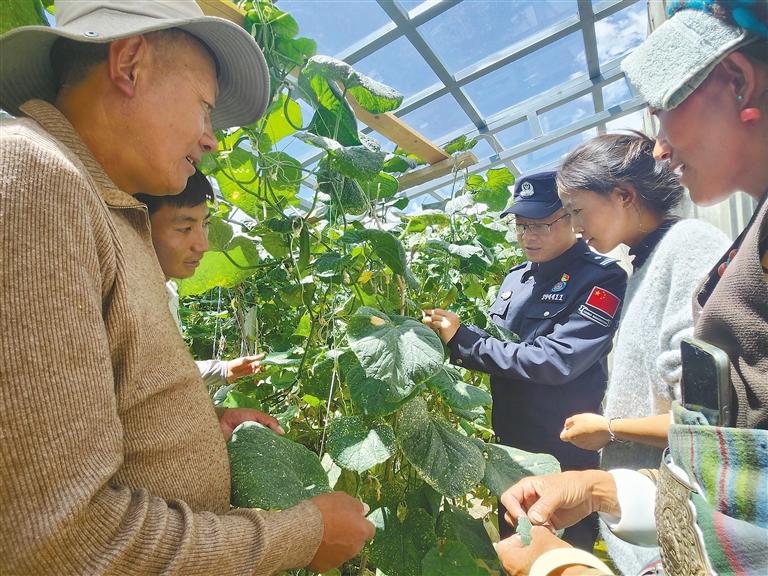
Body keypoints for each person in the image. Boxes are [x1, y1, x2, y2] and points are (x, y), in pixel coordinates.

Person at [0, 1, 373, 575]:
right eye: (205, 107)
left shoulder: (103, 207)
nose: (212, 140)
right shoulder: (35, 176)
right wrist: (303, 535)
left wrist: (193, 426)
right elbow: (61, 540)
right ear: (129, 64)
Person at [495, 2, 768, 575]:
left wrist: (558, 565)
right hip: (661, 524)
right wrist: (603, 490)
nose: (660, 149)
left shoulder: (689, 247)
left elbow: (716, 430)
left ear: (739, 81)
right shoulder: (644, 265)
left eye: (663, 116)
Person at [423, 171, 628, 551]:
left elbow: (556, 360)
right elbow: (500, 342)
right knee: (516, 547)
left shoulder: (600, 278)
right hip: (510, 445)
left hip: (564, 447)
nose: (528, 236)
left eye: (540, 225)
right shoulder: (516, 279)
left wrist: (465, 341)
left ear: (571, 218)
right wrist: (453, 331)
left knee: (561, 554)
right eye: (521, 226)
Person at [556, 132, 730, 573]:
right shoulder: (644, 263)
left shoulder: (689, 247)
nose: (575, 227)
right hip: (652, 521)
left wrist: (610, 428)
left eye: (577, 210)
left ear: (623, 195)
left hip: (685, 530)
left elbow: (707, 419)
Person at [136, 170, 269, 396]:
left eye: (205, 224)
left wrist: (222, 369)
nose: (203, 245)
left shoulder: (166, 290)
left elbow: (157, 373)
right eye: (184, 228)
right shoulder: (128, 298)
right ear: (138, 225)